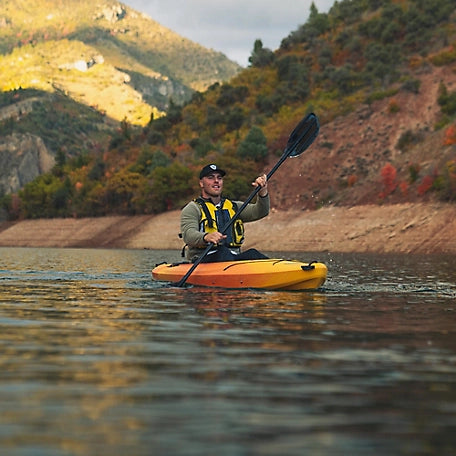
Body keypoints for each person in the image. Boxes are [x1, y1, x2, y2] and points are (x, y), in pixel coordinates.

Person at [180, 164, 270, 263]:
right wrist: (206, 237)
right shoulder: (193, 208)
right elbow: (188, 235)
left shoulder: (234, 207)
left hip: (232, 257)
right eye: (210, 178)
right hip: (203, 259)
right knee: (222, 252)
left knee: (253, 254)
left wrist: (262, 192)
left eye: (219, 178)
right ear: (201, 183)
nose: (216, 181)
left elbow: (261, 211)